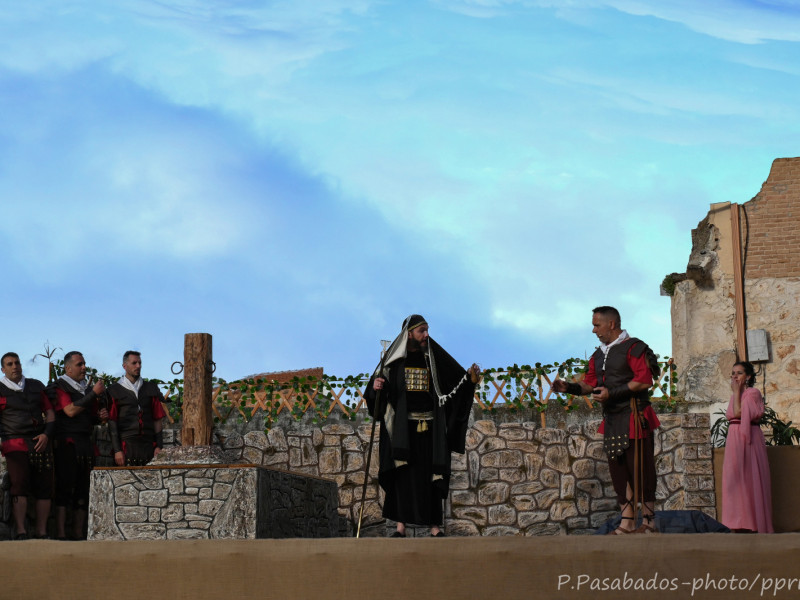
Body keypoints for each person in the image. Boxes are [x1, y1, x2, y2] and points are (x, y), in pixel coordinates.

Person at [364, 314, 479, 537]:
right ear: (409, 334)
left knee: (431, 476)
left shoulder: (433, 358)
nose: (426, 335)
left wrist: (470, 380)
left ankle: (435, 528)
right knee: (402, 476)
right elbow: (378, 388)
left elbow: (456, 383)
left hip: (430, 430)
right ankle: (400, 527)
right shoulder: (394, 360)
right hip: (403, 430)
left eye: (427, 330)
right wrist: (376, 387)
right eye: (421, 331)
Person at [553, 306, 660, 535]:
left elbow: (644, 380)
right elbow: (590, 384)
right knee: (619, 472)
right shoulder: (598, 355)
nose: (594, 330)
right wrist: (569, 387)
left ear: (611, 324)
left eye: (597, 325)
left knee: (641, 470)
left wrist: (612, 393)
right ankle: (628, 522)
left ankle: (649, 523)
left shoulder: (634, 347)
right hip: (612, 419)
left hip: (634, 416)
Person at [48, 351, 107, 540]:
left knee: (83, 490)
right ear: (68, 368)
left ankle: (78, 533)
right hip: (67, 444)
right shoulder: (59, 386)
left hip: (84, 443)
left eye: (84, 364)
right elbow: (70, 410)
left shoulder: (84, 388)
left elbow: (85, 416)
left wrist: (98, 417)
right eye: (80, 364)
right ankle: (61, 534)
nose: (84, 368)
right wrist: (94, 394)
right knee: (65, 489)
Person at [0, 352, 55, 539]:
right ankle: (21, 531)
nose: (14, 366)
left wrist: (46, 434)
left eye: (17, 362)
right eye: (9, 364)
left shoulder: (35, 386)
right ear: (3, 369)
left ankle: (42, 532)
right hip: (13, 441)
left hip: (40, 441)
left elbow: (49, 412)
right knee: (19, 484)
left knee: (45, 486)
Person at [721, 361, 773, 533]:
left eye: (739, 373)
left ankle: (753, 524)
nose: (734, 376)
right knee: (734, 480)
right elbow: (733, 415)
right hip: (734, 438)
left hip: (749, 437)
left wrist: (736, 393)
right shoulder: (734, 396)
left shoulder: (753, 393)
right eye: (733, 373)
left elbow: (738, 413)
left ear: (748, 376)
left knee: (751, 478)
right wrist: (736, 394)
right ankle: (735, 522)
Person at [105, 351, 167, 466]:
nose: (138, 366)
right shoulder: (114, 390)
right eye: (134, 363)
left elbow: (157, 418)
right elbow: (112, 421)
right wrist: (117, 450)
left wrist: (159, 446)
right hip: (126, 446)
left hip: (149, 445)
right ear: (124, 366)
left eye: (139, 363)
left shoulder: (150, 388)